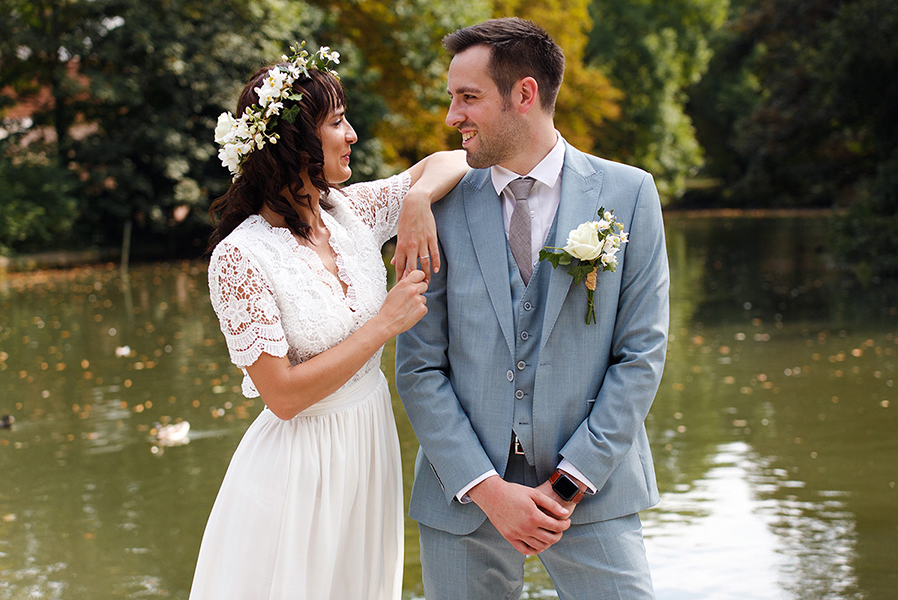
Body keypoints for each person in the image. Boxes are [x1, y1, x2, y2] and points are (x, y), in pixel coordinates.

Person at [395, 18, 669, 599]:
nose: (451, 116)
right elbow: (419, 368)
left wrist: (568, 484)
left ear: (524, 94)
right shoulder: (437, 207)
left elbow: (641, 354)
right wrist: (488, 490)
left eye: (468, 97)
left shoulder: (628, 194)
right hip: (465, 493)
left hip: (591, 489)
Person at [189, 44, 468, 600]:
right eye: (337, 122)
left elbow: (455, 160)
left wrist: (416, 199)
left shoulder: (351, 212)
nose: (353, 135)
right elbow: (283, 396)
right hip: (297, 469)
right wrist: (383, 324)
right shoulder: (240, 257)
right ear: (295, 142)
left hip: (368, 446)